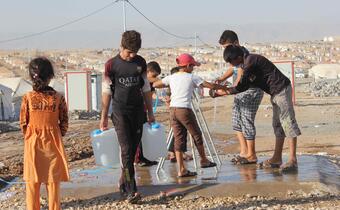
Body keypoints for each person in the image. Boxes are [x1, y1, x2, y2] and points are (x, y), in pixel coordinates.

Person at [220, 45, 301, 173]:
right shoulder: (246, 63)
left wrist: (221, 92)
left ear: (239, 57)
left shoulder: (250, 62)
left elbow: (241, 87)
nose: (232, 65)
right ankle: (277, 158)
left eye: (231, 61)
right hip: (275, 93)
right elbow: (242, 85)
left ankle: (292, 160)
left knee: (288, 123)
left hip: (281, 90)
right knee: (278, 125)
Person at [100, 30, 155, 203]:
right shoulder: (111, 65)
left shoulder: (141, 63)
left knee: (133, 150)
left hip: (138, 112)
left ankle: (123, 182)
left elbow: (146, 88)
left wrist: (150, 112)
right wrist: (103, 116)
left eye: (134, 52)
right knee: (126, 150)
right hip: (119, 112)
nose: (131, 56)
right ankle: (132, 191)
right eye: (128, 52)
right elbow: (106, 92)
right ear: (121, 46)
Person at [153, 53, 223, 178]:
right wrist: (223, 87)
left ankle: (181, 169)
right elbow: (209, 85)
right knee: (196, 134)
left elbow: (155, 84)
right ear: (188, 66)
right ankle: (203, 160)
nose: (193, 68)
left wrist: (169, 86)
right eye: (193, 66)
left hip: (173, 110)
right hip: (184, 109)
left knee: (179, 139)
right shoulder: (192, 77)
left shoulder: (172, 77)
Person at [20, 57, 69, 210]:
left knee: (32, 182)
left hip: (33, 144)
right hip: (53, 144)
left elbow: (23, 123)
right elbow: (65, 123)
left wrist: (31, 135)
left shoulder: (27, 98)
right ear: (50, 76)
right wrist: (55, 133)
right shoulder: (59, 98)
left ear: (31, 76)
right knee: (53, 181)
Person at [215, 30, 264, 164]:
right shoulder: (234, 55)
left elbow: (240, 80)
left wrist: (224, 91)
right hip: (240, 91)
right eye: (224, 48)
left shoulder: (243, 55)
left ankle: (251, 154)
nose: (226, 50)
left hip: (250, 90)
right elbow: (233, 69)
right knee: (237, 121)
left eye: (227, 46)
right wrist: (221, 79)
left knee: (247, 121)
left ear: (236, 43)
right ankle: (244, 151)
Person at [134, 61, 161, 167]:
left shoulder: (150, 84)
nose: (155, 78)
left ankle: (145, 157)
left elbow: (152, 96)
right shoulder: (137, 81)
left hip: (144, 111)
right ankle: (137, 158)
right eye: (153, 76)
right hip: (136, 111)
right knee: (137, 135)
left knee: (144, 134)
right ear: (147, 71)